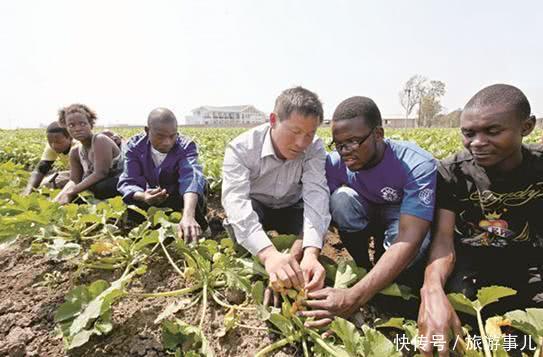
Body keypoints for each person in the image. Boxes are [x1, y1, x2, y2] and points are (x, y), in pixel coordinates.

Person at [417, 84, 543, 356]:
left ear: (527, 126)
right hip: (471, 265)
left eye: (493, 131)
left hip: (529, 263)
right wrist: (432, 289)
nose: (477, 142)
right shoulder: (452, 173)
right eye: (468, 133)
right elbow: (443, 240)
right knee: (456, 334)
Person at [299, 96, 437, 328]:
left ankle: (385, 281)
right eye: (339, 145)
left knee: (418, 245)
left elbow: (409, 238)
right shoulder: (336, 163)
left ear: (378, 134)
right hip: (366, 211)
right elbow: (317, 209)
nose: (345, 152)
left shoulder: (416, 165)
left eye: (353, 142)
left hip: (401, 218)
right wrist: (304, 253)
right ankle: (363, 266)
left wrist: (354, 296)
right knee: (341, 200)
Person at [221, 86, 331, 301]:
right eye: (295, 132)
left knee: (310, 232)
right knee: (239, 230)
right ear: (273, 120)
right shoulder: (241, 148)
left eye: (309, 134)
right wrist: (269, 255)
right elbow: (236, 202)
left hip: (291, 205)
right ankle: (268, 270)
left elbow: (316, 194)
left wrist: (310, 252)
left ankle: (294, 263)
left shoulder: (314, 148)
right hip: (257, 205)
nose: (302, 143)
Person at [117, 108, 208, 242]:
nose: (167, 142)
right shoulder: (135, 146)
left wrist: (189, 214)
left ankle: (200, 226)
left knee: (195, 192)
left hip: (179, 196)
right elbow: (129, 180)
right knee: (130, 204)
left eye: (172, 136)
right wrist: (144, 196)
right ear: (147, 131)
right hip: (154, 195)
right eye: (160, 136)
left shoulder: (185, 146)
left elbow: (191, 178)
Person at [53, 104, 124, 204]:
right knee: (78, 192)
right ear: (66, 128)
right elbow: (74, 180)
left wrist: (71, 192)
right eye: (71, 125)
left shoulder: (100, 140)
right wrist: (60, 197)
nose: (77, 129)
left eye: (82, 124)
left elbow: (101, 173)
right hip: (100, 187)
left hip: (120, 183)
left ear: (90, 124)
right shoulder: (75, 152)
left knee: (100, 187)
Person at [23, 121, 73, 194]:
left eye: (58, 142)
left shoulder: (79, 146)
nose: (54, 146)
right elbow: (41, 168)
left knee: (61, 183)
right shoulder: (52, 146)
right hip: (74, 173)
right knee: (45, 184)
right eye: (50, 142)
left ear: (70, 138)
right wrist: (29, 190)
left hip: (90, 175)